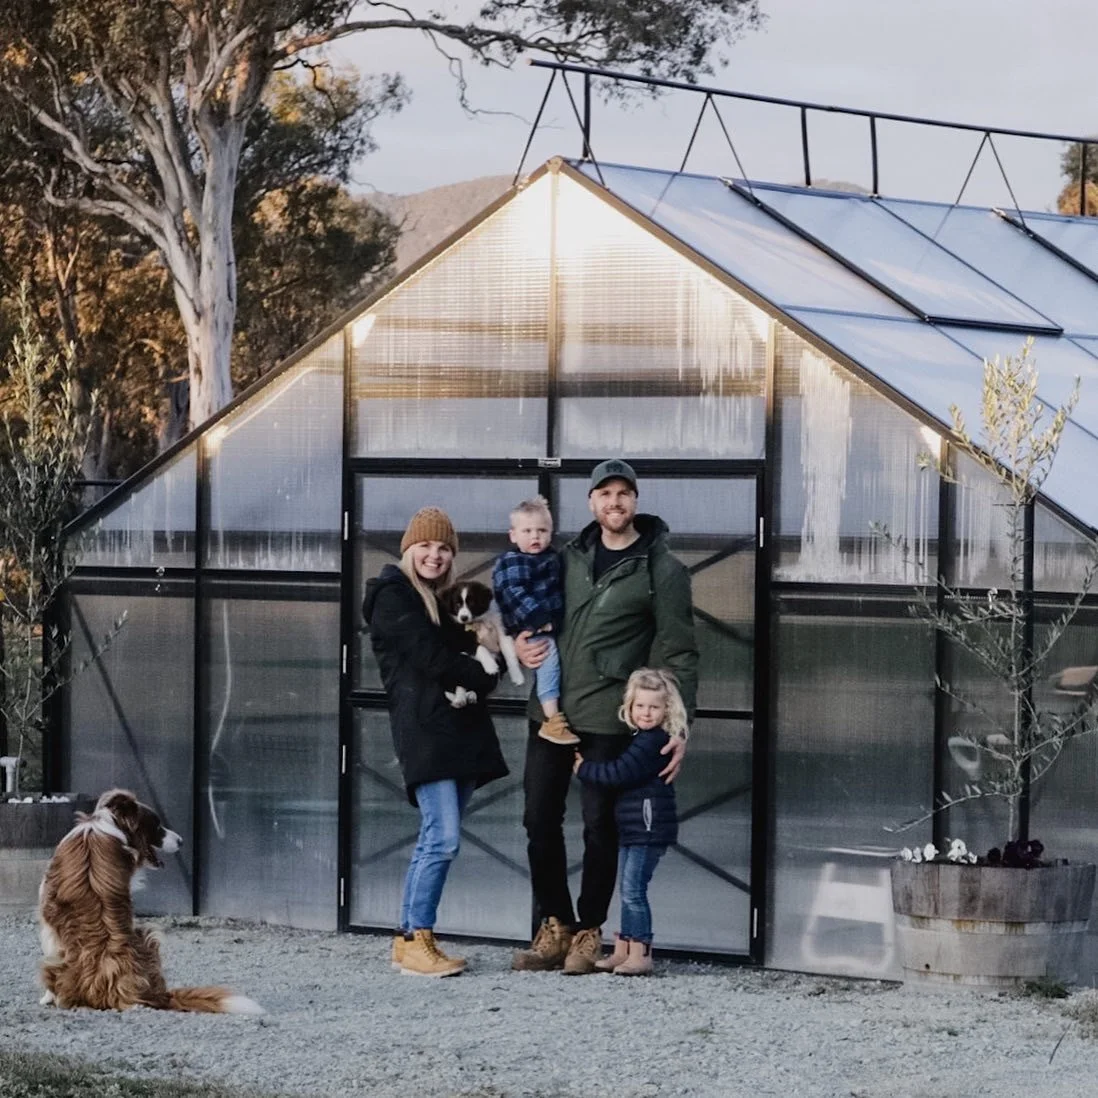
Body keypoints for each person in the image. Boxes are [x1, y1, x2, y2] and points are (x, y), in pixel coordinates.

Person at [512, 459, 698, 975]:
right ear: (591, 503)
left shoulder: (662, 570)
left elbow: (680, 654)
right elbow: (522, 605)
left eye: (623, 493)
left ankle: (590, 930)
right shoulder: (566, 557)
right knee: (538, 821)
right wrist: (517, 641)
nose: (614, 503)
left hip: (609, 718)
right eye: (604, 494)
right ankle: (555, 925)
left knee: (600, 826)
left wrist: (678, 728)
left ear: (634, 501)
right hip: (551, 715)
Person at [362, 506, 508, 977]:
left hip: (453, 731)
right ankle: (416, 937)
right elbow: (431, 658)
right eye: (426, 545)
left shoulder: (435, 600)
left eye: (444, 548)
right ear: (408, 548)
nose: (436, 555)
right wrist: (483, 666)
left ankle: (411, 940)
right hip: (426, 732)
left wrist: (491, 661)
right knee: (443, 837)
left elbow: (475, 657)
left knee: (434, 836)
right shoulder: (393, 596)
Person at [573, 668, 685, 976]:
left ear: (666, 710)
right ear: (630, 706)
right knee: (628, 888)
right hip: (634, 828)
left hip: (647, 828)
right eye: (640, 706)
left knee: (634, 889)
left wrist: (583, 768)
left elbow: (618, 773)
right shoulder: (640, 738)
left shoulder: (652, 742)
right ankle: (623, 950)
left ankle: (642, 952)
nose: (646, 713)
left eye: (654, 707)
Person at [491, 495, 578, 747]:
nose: (535, 536)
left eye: (542, 530)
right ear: (513, 535)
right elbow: (513, 593)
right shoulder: (513, 562)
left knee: (554, 660)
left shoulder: (553, 558)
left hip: (549, 622)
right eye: (527, 531)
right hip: (529, 625)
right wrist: (540, 619)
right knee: (548, 658)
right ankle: (552, 718)